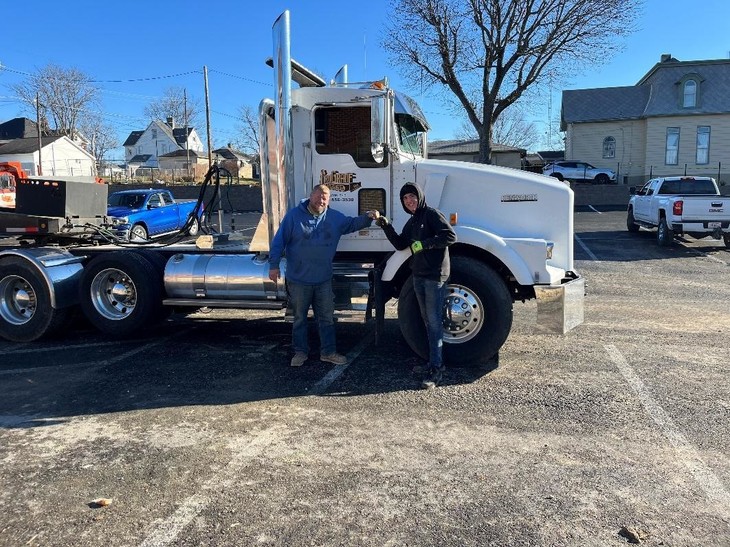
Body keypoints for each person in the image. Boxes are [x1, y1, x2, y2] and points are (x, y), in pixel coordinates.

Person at [269, 184, 379, 367]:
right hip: (298, 280)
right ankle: (300, 353)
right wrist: (273, 266)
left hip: (323, 280)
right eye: (318, 196)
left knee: (326, 318)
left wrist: (368, 217)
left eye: (325, 198)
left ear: (329, 200)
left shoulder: (334, 218)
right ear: (310, 196)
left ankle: (328, 352)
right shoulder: (293, 216)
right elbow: (279, 241)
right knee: (299, 319)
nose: (321, 200)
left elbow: (352, 224)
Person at [376, 182, 456, 389]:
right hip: (419, 275)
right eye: (405, 199)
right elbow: (401, 244)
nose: (409, 201)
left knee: (434, 322)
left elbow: (449, 236)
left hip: (434, 277)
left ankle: (437, 369)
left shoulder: (431, 214)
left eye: (412, 196)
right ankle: (432, 362)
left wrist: (425, 244)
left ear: (419, 197)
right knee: (428, 321)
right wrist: (385, 225)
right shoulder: (412, 222)